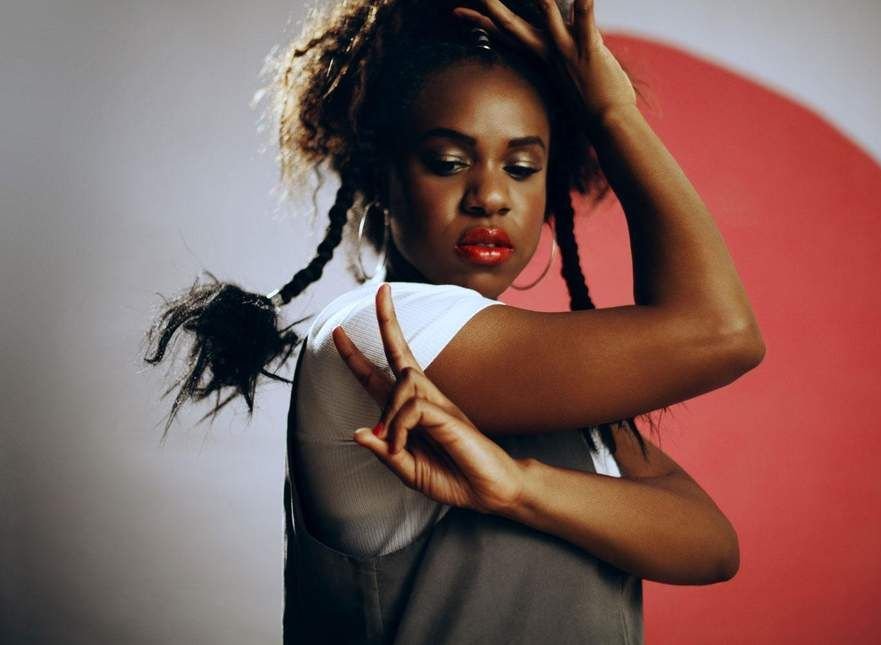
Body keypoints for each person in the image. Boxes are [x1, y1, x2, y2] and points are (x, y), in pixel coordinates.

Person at [143, 0, 765, 642]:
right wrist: (612, 114)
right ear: (381, 179)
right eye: (448, 162)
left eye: (522, 168)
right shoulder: (379, 330)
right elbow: (723, 333)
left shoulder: (545, 375)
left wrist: (521, 488)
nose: (491, 196)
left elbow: (713, 547)